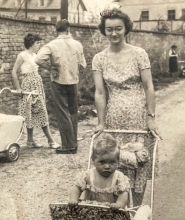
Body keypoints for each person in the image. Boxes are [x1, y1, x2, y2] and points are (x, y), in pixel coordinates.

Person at [92, 6, 160, 206]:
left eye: (118, 28)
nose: (114, 33)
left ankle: (136, 210)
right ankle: (119, 209)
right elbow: (100, 92)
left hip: (138, 118)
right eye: (110, 29)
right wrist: (101, 123)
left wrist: (151, 118)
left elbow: (149, 86)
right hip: (114, 118)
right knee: (114, 162)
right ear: (104, 30)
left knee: (139, 162)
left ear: (126, 29)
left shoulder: (139, 54)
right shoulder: (99, 58)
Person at [35, 19, 86, 154]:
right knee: (73, 112)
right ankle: (73, 142)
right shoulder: (77, 44)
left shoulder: (52, 45)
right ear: (68, 29)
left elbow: (38, 59)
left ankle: (69, 146)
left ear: (56, 30)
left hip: (58, 82)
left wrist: (50, 66)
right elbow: (83, 64)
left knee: (62, 112)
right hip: (73, 82)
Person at [12, 33, 59, 149]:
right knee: (30, 112)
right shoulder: (22, 55)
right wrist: (18, 88)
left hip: (37, 84)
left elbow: (44, 65)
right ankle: (51, 141)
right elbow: (13, 72)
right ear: (31, 44)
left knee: (39, 110)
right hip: (28, 85)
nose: (39, 45)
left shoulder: (35, 55)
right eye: (37, 43)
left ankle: (30, 141)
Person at [68, 133, 130, 209]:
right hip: (90, 210)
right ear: (93, 160)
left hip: (112, 212)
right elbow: (76, 187)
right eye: (102, 162)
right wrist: (74, 199)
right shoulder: (88, 175)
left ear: (118, 161)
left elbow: (124, 194)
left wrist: (119, 204)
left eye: (112, 162)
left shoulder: (119, 177)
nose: (107, 166)